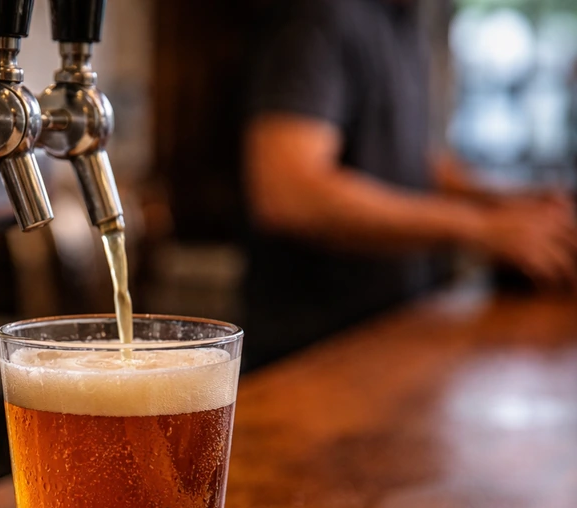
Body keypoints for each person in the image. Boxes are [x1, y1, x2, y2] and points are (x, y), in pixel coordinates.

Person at [238, 0, 577, 369]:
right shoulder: (318, 14)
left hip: (391, 333)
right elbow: (289, 191)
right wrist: (480, 227)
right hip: (311, 353)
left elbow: (405, 160)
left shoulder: (405, 21)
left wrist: (504, 201)